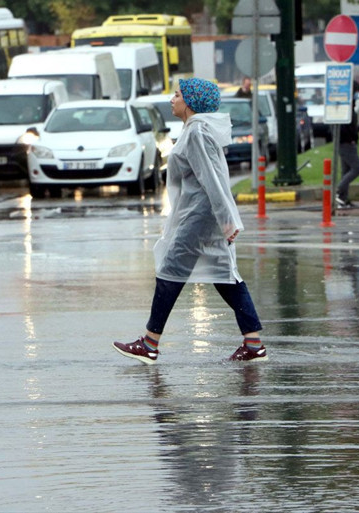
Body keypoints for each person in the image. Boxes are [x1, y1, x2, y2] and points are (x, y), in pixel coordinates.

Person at [112, 78, 266, 364]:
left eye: (178, 94)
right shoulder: (197, 131)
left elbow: (212, 179)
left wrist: (227, 221)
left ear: (191, 103)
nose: (172, 99)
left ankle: (149, 343)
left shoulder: (197, 132)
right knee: (225, 275)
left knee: (170, 270)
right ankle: (253, 344)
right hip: (203, 214)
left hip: (200, 216)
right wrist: (226, 220)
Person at [336, 81, 359, 208]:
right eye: (357, 91)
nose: (358, 94)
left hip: (345, 142)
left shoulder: (349, 105)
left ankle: (343, 198)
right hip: (346, 142)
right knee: (357, 168)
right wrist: (352, 138)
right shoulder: (345, 108)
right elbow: (346, 128)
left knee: (346, 170)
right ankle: (338, 190)